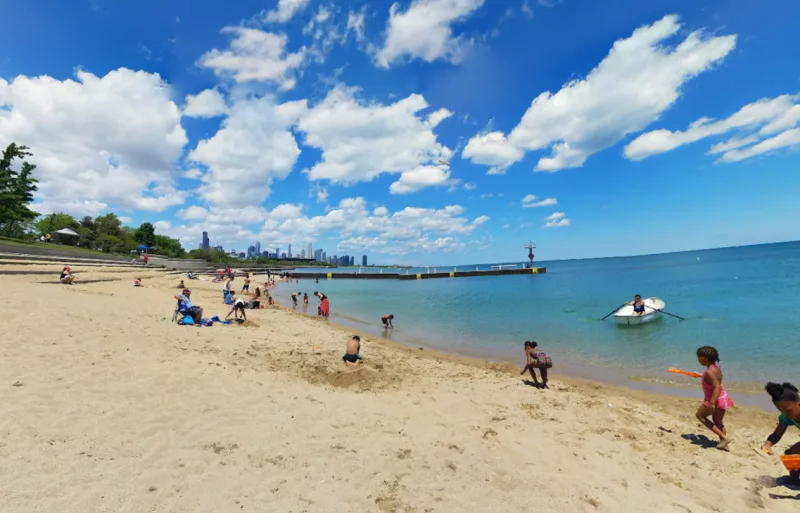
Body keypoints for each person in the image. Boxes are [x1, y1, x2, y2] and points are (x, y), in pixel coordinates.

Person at [695, 346, 733, 451]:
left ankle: (724, 438)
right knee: (718, 422)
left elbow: (716, 386)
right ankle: (723, 443)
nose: (698, 360)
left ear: (704, 358)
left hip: (714, 399)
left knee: (700, 416)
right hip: (722, 398)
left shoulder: (709, 372)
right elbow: (713, 380)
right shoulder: (715, 368)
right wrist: (700, 376)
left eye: (698, 358)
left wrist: (711, 403)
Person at [763, 382, 800, 482]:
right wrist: (767, 444)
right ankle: (794, 480)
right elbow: (777, 434)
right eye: (781, 411)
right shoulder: (787, 416)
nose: (785, 414)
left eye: (788, 410)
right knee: (790, 454)